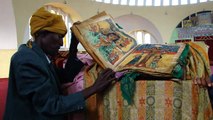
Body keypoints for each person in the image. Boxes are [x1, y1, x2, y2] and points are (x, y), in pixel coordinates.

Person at [3, 7, 117, 120]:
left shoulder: (39, 56)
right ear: (42, 35)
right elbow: (51, 105)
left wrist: (74, 43)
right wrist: (94, 88)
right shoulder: (26, 60)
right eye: (59, 37)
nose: (61, 43)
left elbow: (66, 76)